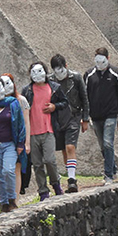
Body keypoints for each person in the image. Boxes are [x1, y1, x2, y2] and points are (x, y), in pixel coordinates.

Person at [21, 62, 69, 201]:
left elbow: (64, 102)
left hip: (49, 129)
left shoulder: (54, 87)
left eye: (40, 71)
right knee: (37, 164)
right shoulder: (27, 90)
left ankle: (56, 184)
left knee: (50, 160)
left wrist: (55, 106)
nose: (37, 74)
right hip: (33, 132)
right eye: (33, 72)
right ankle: (43, 191)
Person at [84, 48, 118, 184]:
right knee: (103, 146)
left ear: (108, 58)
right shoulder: (89, 75)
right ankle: (113, 169)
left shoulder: (115, 73)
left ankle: (108, 174)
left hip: (111, 114)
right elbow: (85, 97)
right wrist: (84, 116)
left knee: (108, 143)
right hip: (95, 116)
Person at [50, 54, 89, 193]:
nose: (59, 74)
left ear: (66, 66)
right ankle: (70, 176)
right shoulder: (50, 80)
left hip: (74, 116)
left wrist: (85, 119)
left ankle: (72, 180)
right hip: (59, 119)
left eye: (61, 69)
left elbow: (84, 99)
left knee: (70, 146)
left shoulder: (76, 78)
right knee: (64, 150)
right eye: (56, 71)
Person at [0, 79, 25, 213]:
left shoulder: (13, 104)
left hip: (10, 144)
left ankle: (12, 199)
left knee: (8, 170)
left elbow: (20, 123)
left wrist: (21, 143)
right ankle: (4, 203)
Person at [0, 73, 31, 204]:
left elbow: (26, 122)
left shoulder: (21, 100)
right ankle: (6, 198)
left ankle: (15, 199)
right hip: (2, 139)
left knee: (16, 169)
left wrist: (27, 142)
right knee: (5, 170)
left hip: (18, 139)